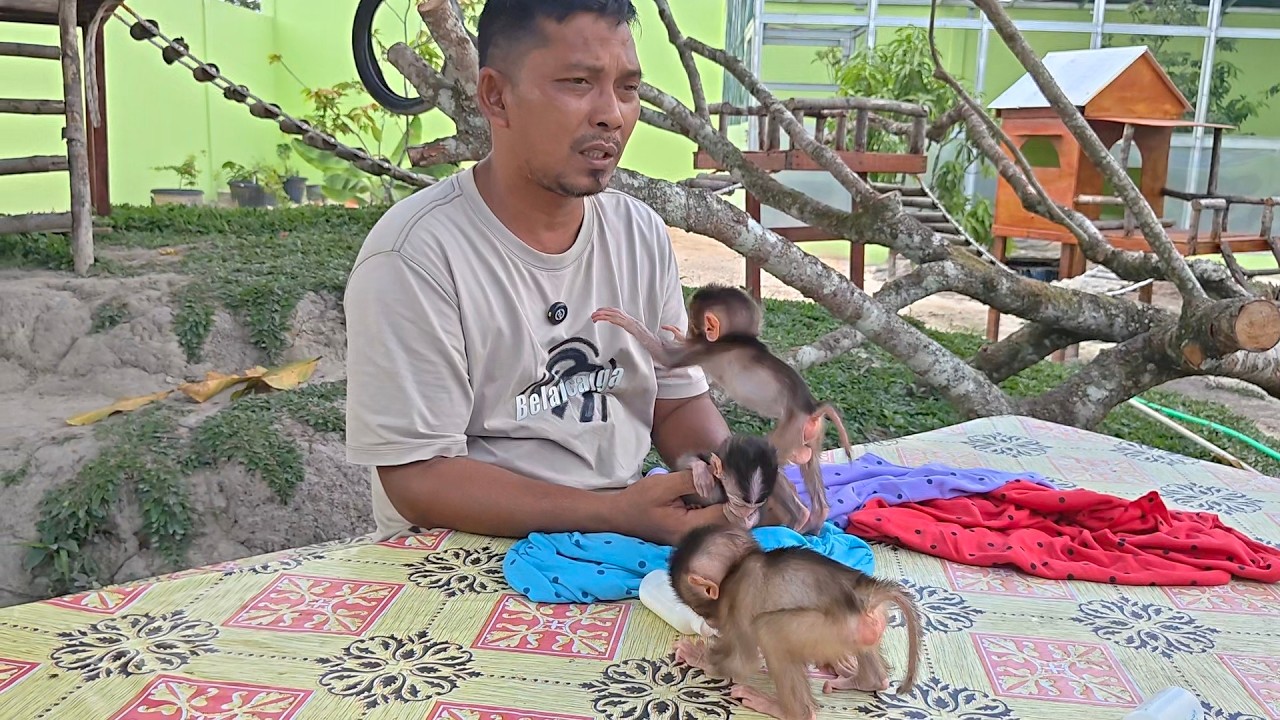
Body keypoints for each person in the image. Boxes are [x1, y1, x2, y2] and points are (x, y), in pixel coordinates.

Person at [343, 0, 731, 546]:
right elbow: (418, 477)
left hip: (620, 534)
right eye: (578, 82)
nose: (612, 115)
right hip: (462, 556)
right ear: (496, 96)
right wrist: (615, 513)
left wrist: (733, 477)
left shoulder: (639, 233)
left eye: (626, 88)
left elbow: (678, 402)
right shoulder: (414, 255)